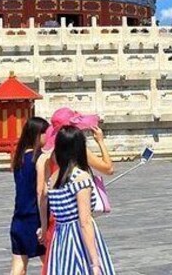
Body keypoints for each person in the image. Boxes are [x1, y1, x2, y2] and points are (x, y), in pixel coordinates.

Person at [38, 108, 114, 275]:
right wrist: (95, 263)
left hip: (59, 234)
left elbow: (42, 195)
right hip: (78, 236)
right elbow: (84, 221)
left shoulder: (50, 166)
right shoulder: (81, 177)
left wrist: (43, 226)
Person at [10, 117, 50, 275]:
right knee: (49, 263)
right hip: (35, 218)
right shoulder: (40, 159)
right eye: (46, 133)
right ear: (37, 134)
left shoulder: (18, 158)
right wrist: (44, 224)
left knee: (18, 267)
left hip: (19, 217)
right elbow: (41, 192)